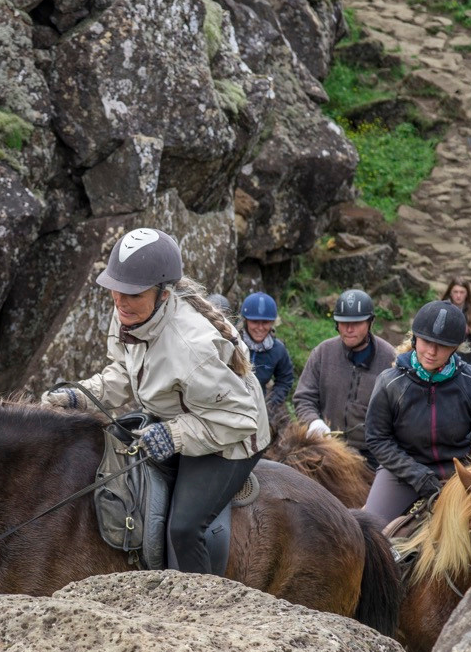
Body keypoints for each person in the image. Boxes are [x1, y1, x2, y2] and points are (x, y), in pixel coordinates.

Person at [42, 228, 270, 574]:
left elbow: (240, 417)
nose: (120, 300)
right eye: (116, 289)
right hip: (178, 417)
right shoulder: (128, 315)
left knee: (184, 528)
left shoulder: (193, 347)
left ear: (163, 294)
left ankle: (202, 607)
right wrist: (82, 395)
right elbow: (124, 372)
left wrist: (175, 436)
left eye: (133, 293)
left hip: (231, 438)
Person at [362, 299, 471, 525]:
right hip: (402, 472)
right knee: (371, 532)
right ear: (415, 339)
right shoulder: (390, 382)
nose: (432, 352)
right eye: (426, 342)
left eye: (442, 345)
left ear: (455, 347)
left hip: (461, 472)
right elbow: (378, 439)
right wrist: (418, 475)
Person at [291, 288, 397, 457]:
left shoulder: (390, 359)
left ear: (370, 322)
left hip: (372, 454)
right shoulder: (322, 353)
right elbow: (304, 397)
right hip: (327, 447)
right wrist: (313, 422)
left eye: (356, 323)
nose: (348, 329)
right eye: (343, 322)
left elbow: (399, 414)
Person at [239, 292, 295, 424]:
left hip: (261, 405)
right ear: (245, 321)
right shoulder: (232, 343)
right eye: (254, 322)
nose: (260, 328)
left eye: (265, 322)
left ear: (273, 323)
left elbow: (285, 379)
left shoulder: (278, 350)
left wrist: (270, 404)